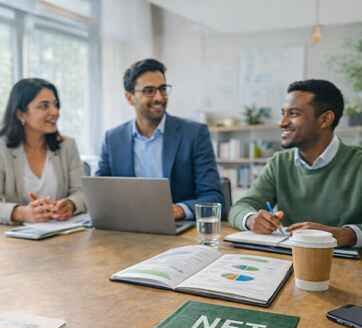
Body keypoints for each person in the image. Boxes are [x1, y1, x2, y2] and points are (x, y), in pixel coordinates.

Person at [229, 79, 362, 247]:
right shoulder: (279, 163)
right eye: (283, 113)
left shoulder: (358, 163)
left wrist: (348, 235)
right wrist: (251, 219)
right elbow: (240, 207)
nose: (282, 123)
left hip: (346, 265)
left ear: (325, 119)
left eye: (293, 114)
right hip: (287, 258)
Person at [96, 58, 224, 219]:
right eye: (149, 90)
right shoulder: (112, 139)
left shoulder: (195, 134)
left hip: (179, 231)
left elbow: (214, 197)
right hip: (127, 229)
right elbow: (99, 194)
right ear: (129, 98)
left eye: (162, 89)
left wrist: (180, 210)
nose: (159, 97)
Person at [0, 78, 87, 224]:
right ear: (21, 114)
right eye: (44, 106)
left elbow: (83, 192)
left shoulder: (67, 145)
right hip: (13, 242)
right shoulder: (2, 150)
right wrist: (21, 213)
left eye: (55, 105)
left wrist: (70, 205)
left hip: (61, 236)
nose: (55, 112)